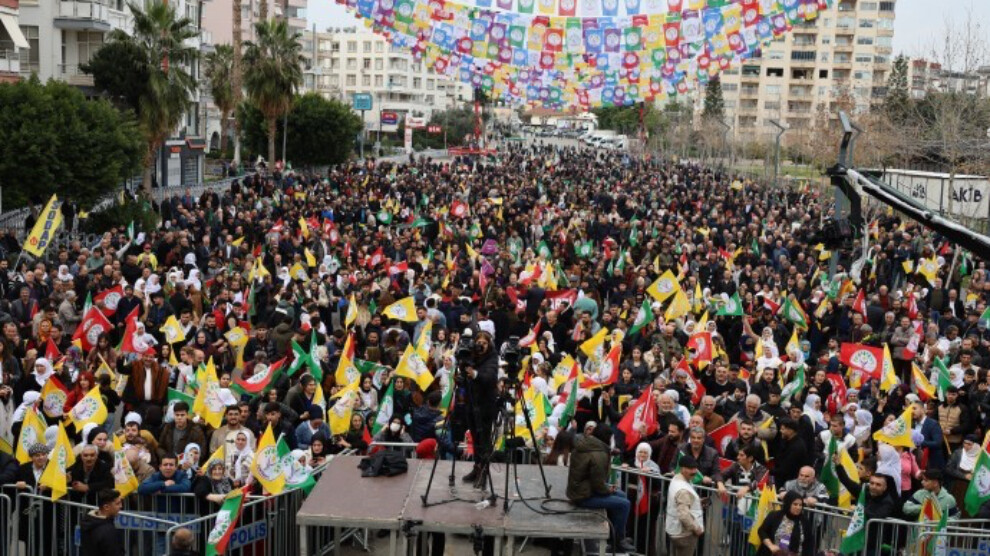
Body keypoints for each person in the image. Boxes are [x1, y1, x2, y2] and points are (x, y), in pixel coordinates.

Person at [567, 424, 635, 553]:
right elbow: (598, 484)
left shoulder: (586, 444)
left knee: (622, 495)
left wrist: (608, 488)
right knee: (625, 504)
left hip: (580, 489)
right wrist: (608, 490)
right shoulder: (599, 455)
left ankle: (616, 533)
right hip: (584, 496)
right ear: (607, 438)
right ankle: (618, 540)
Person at [462, 331, 499, 487]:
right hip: (471, 403)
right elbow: (465, 374)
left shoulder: (492, 357)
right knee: (475, 439)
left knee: (484, 440)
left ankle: (484, 472)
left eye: (484, 343)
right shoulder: (472, 355)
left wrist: (475, 374)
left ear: (489, 344)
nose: (481, 346)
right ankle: (476, 467)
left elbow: (490, 377)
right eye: (479, 342)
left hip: (485, 406)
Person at [664, 455, 704, 556]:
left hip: (674, 529)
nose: (694, 471)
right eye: (691, 468)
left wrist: (697, 503)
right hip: (684, 534)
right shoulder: (683, 490)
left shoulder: (676, 479)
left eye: (695, 468)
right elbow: (684, 515)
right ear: (682, 469)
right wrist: (696, 528)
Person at [756, 490, 813, 556]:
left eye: (800, 505)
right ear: (788, 504)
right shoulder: (775, 516)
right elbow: (762, 531)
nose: (798, 507)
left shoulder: (804, 521)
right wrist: (771, 546)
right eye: (795, 504)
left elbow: (809, 543)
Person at [80, 489, 125, 556]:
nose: (121, 506)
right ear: (106, 507)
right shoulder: (108, 531)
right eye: (117, 503)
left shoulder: (88, 521)